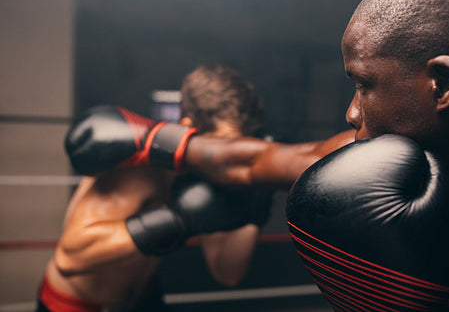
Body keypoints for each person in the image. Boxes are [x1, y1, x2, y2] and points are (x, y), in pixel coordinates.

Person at [64, 0, 449, 311]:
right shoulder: (368, 156)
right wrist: (157, 139)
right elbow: (256, 162)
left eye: (364, 84)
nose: (350, 113)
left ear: (442, 84)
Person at [36, 65, 273, 312]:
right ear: (188, 127)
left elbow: (227, 273)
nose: (233, 158)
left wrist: (252, 201)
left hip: (142, 299)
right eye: (225, 145)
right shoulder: (139, 167)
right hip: (76, 305)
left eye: (243, 147)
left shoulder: (212, 176)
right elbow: (69, 258)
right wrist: (177, 220)